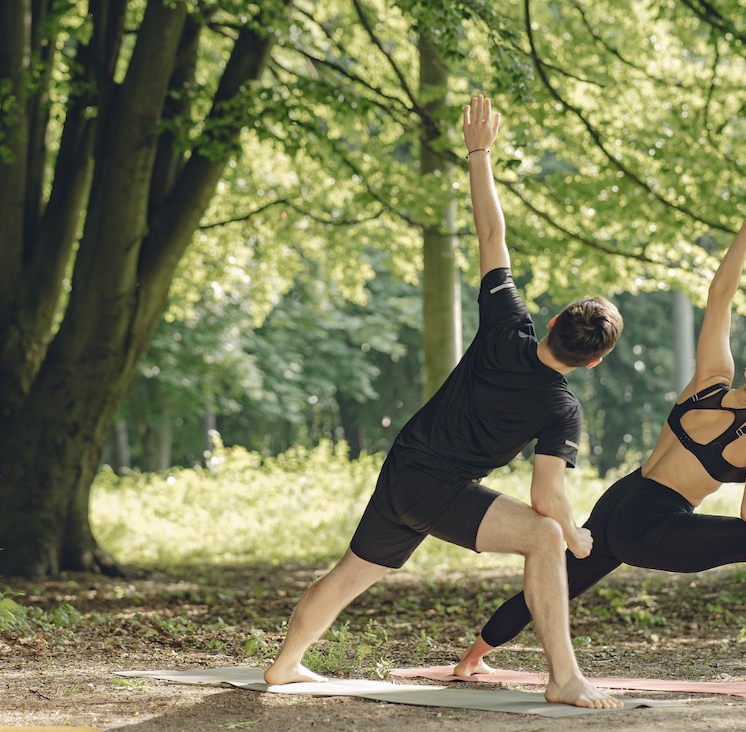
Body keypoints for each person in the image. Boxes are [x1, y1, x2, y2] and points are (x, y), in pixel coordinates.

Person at [263, 94, 625, 709]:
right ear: (593, 361)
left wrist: (479, 152)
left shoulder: (507, 323)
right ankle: (564, 678)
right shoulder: (561, 408)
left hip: (404, 466)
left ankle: (285, 664)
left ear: (557, 318)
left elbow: (490, 231)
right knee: (544, 537)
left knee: (355, 572)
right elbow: (546, 499)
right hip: (439, 489)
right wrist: (573, 533)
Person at [455, 186, 746, 696]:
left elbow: (720, 296)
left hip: (622, 499)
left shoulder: (709, 380)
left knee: (562, 578)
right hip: (654, 524)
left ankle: (471, 659)